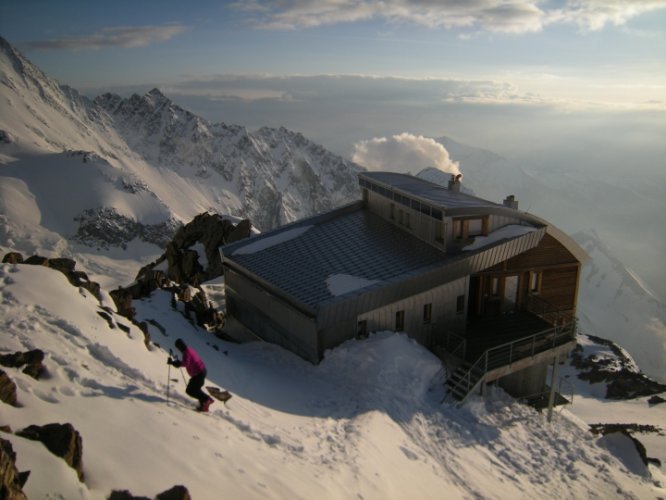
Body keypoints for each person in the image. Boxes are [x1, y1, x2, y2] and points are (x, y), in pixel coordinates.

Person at [168, 338, 214, 412]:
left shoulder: (186, 353)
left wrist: (177, 363)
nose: (178, 348)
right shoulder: (189, 349)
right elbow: (187, 361)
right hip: (202, 371)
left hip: (198, 373)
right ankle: (204, 406)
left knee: (190, 390)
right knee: (196, 389)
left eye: (178, 347)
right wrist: (176, 362)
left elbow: (186, 363)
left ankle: (207, 399)